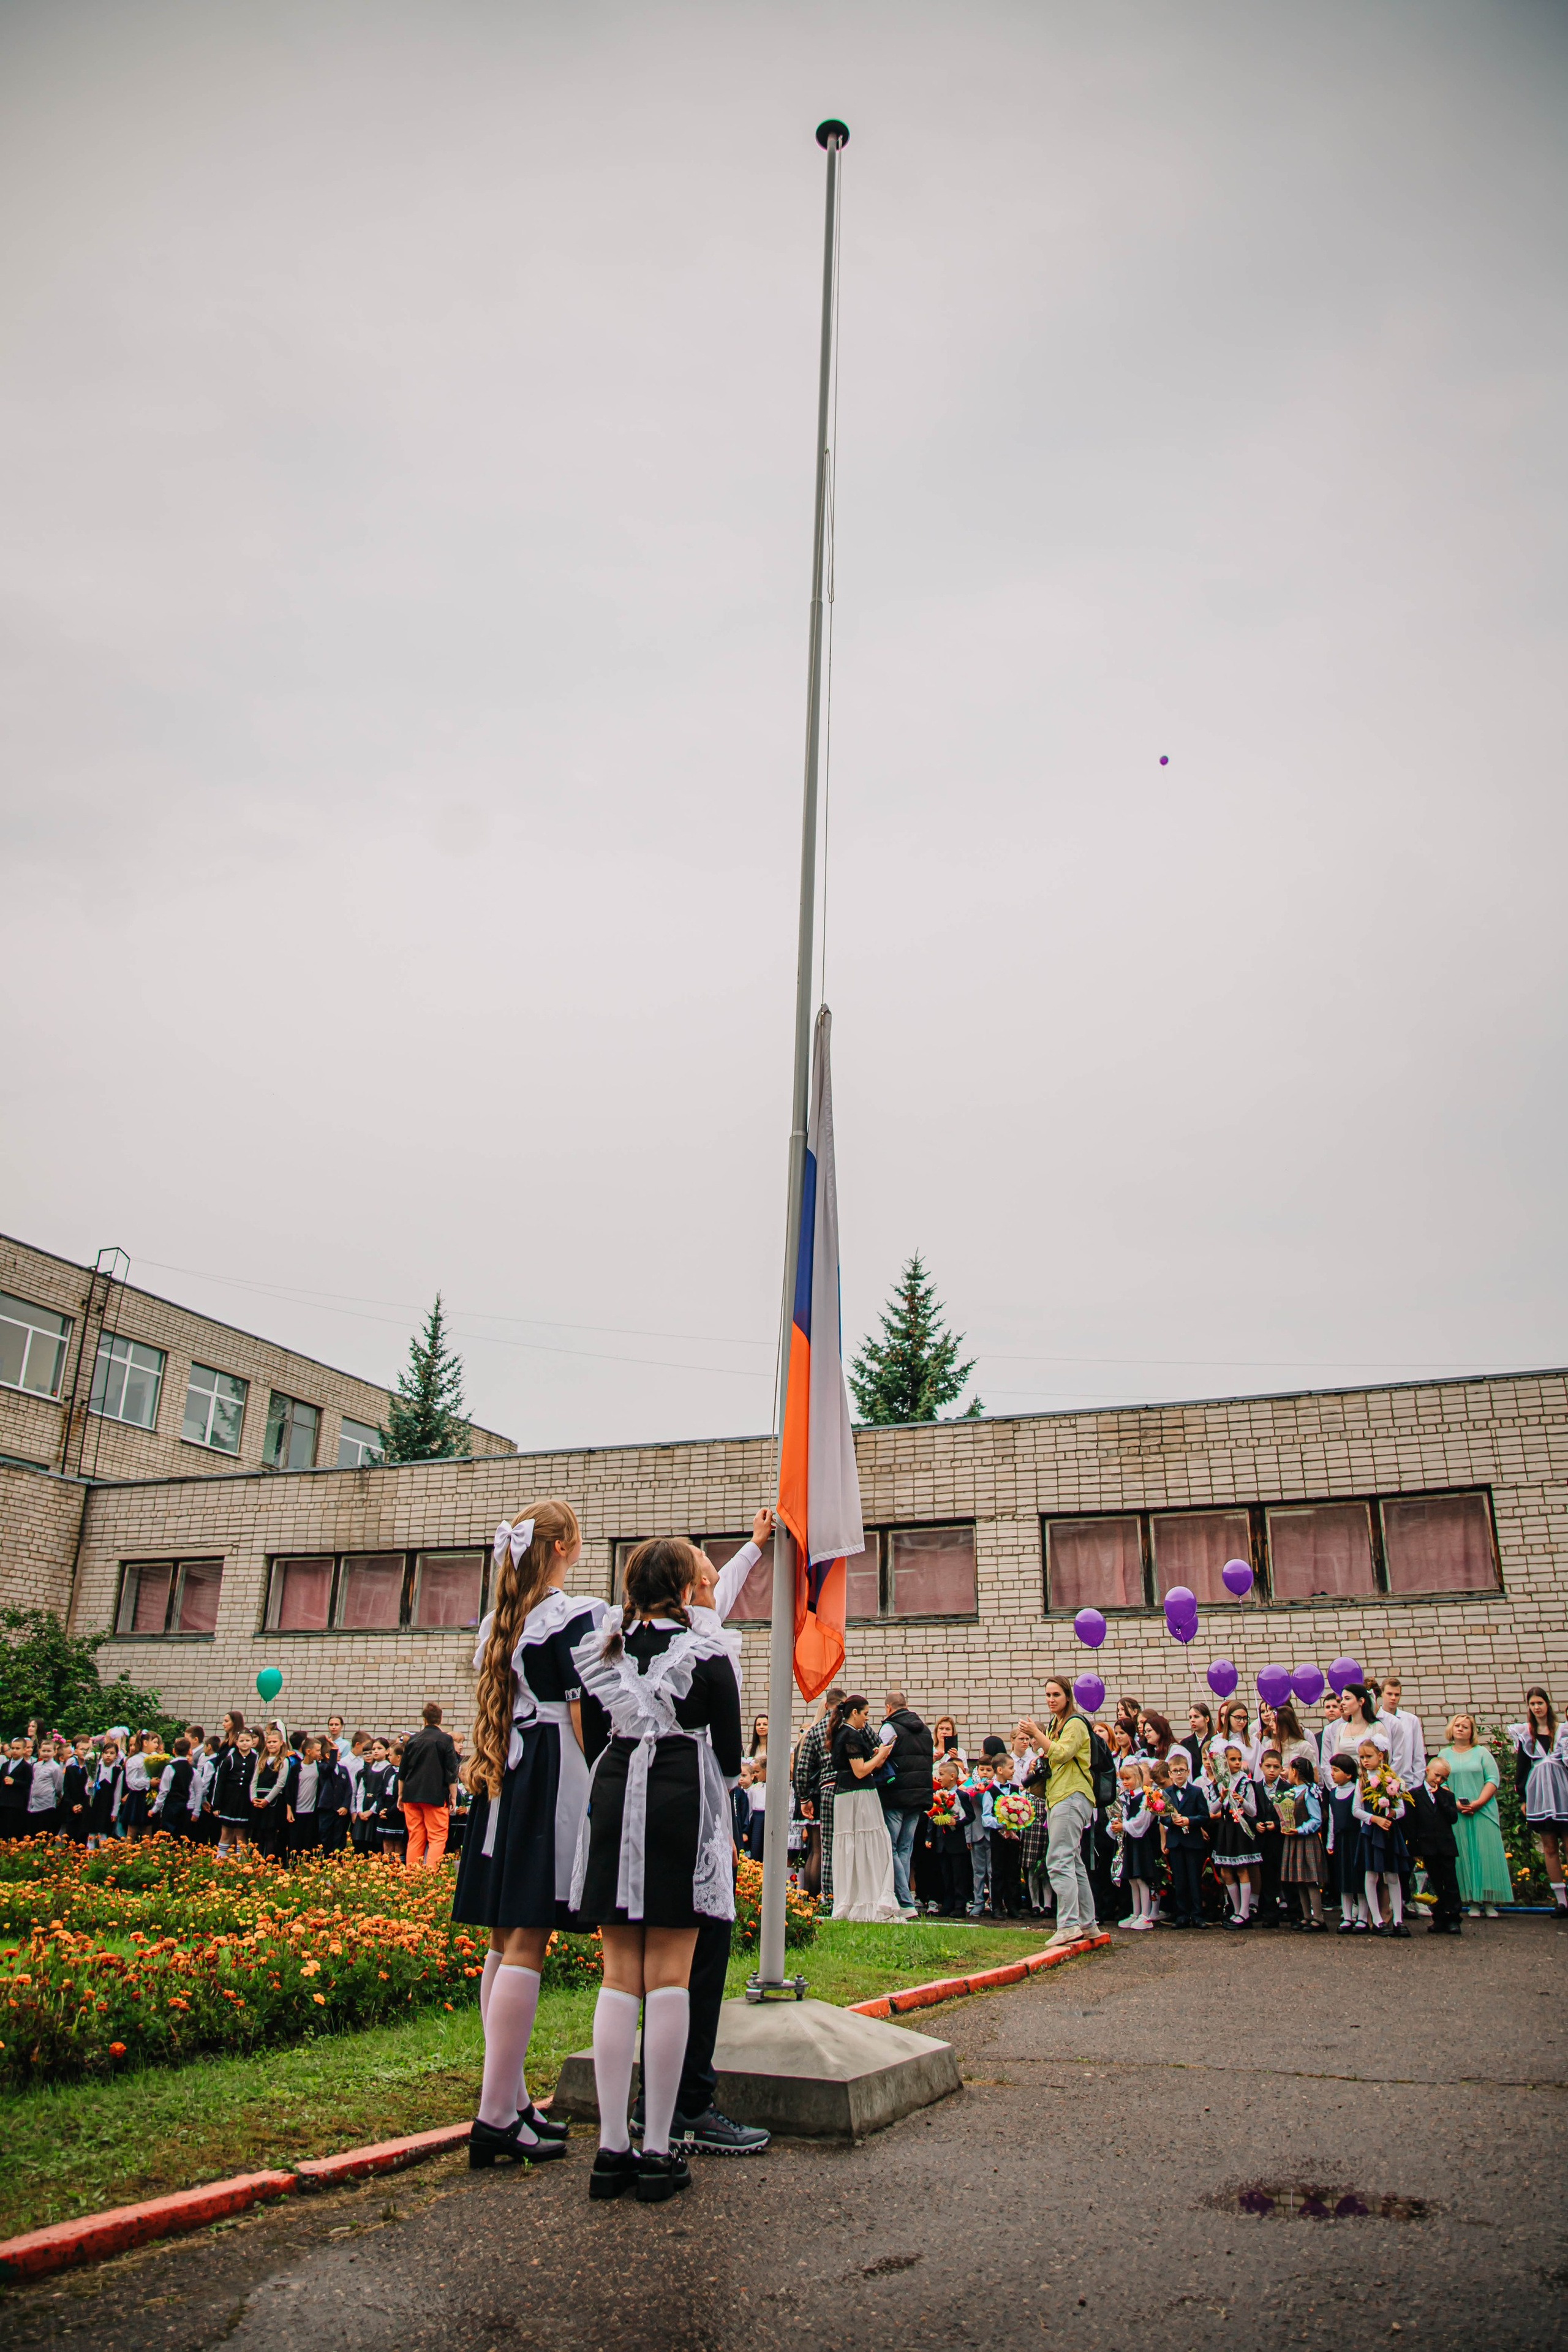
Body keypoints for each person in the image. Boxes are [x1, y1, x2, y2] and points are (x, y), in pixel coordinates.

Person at [571, 1535, 744, 2205]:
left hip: (614, 1789)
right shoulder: (709, 1652)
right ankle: (656, 2149)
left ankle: (610, 2148)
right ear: (683, 1586)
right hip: (679, 1791)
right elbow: (729, 1759)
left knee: (619, 1975)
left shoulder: (602, 1649)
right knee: (671, 1974)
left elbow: (593, 1730)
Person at [451, 1501, 606, 2173]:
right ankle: (493, 2117)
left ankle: (508, 2100)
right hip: (548, 1771)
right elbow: (590, 1709)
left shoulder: (498, 1620)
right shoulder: (578, 1615)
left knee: (500, 1937)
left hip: (501, 1773)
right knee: (526, 1939)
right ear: (567, 1546)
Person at [1023, 1679, 1098, 1948]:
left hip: (1072, 1794)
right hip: (1059, 1796)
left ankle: (1068, 1924)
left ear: (1068, 1696)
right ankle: (1088, 1924)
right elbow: (1053, 1757)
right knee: (1073, 1861)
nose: (1051, 1699)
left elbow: (1064, 1753)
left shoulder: (1075, 1723)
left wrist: (1037, 1734)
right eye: (1047, 1695)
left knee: (1057, 1859)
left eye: (1056, 1695)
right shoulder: (1057, 1724)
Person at [826, 1697, 900, 1922]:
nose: (867, 1719)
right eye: (866, 1714)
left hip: (848, 1795)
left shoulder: (844, 1733)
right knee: (868, 1843)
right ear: (855, 1713)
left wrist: (877, 1754)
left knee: (857, 1845)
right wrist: (880, 1755)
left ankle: (857, 1897)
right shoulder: (850, 1735)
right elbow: (860, 1771)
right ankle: (867, 1899)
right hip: (858, 1796)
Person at [1439, 1714, 1510, 1917]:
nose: (1461, 1729)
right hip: (1458, 1814)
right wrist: (1456, 1805)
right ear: (1451, 1730)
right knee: (1465, 1855)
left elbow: (1492, 1779)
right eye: (1457, 1726)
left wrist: (1478, 1803)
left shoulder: (1481, 1753)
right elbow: (1440, 1783)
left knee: (1485, 1854)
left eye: (1466, 1727)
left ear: (1472, 1732)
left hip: (1483, 1811)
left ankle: (1488, 1902)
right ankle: (1471, 1902)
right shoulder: (1444, 1755)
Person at [1509, 1687, 1568, 1913]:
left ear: (1547, 1704)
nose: (1537, 1707)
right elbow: (1521, 1769)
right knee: (1550, 1846)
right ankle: (1561, 1900)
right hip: (1540, 1795)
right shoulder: (1526, 1735)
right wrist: (1523, 1798)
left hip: (1563, 1793)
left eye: (1540, 1703)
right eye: (1532, 1704)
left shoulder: (1562, 1731)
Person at [875, 1691, 933, 1921]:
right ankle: (904, 1897)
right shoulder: (926, 1729)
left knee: (893, 1849)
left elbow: (881, 1756)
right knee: (906, 1849)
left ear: (889, 1708)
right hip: (920, 1795)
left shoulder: (890, 1728)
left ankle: (905, 1902)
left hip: (896, 1795)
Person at [791, 1685, 845, 1904]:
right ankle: (824, 1896)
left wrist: (802, 1796)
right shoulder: (839, 1727)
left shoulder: (812, 1730)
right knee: (824, 1848)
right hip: (826, 1791)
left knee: (815, 1849)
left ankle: (812, 1897)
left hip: (811, 1794)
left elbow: (801, 1768)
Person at [1353, 1736, 1409, 1934]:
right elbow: (1356, 1810)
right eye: (1361, 1757)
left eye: (1368, 1756)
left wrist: (1394, 1813)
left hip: (1389, 1831)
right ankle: (1377, 1920)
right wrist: (1375, 1819)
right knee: (1371, 1874)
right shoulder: (1361, 1782)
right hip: (1371, 1831)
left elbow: (1402, 1807)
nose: (1365, 1760)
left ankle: (1398, 1919)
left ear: (1380, 1756)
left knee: (1392, 1875)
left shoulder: (1392, 1780)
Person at [398, 1703, 461, 1869]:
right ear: (440, 1720)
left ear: (424, 1720)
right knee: (437, 1837)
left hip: (411, 1795)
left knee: (416, 1836)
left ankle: (412, 1876)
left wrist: (400, 1795)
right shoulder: (446, 1739)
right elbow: (451, 1771)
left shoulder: (413, 1739)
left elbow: (402, 1771)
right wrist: (453, 1796)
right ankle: (430, 1876)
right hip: (435, 1795)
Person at [1208, 1743, 1261, 1925]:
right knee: (1225, 1870)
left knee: (1242, 1868)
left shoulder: (1246, 1782)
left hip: (1240, 1828)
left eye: (1239, 1759)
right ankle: (1236, 1909)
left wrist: (1243, 1801)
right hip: (1225, 1828)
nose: (1237, 1763)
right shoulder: (1218, 1783)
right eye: (1233, 1759)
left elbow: (1253, 1811)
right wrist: (1221, 1798)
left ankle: (1245, 1912)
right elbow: (1212, 1809)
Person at [1409, 1757, 1463, 1934]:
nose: (1439, 1780)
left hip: (1446, 1846)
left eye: (1443, 1778)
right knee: (1434, 1884)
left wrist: (1440, 1795)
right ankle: (1438, 1917)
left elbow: (1453, 1818)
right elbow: (1413, 1823)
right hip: (1427, 1846)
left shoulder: (1447, 1795)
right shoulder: (1415, 1794)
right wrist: (1415, 1849)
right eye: (1437, 1775)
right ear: (1427, 1771)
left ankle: (1453, 1917)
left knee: (1451, 1883)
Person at [1280, 1755, 1326, 1928]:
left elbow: (1316, 1819)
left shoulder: (1309, 1791)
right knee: (1300, 1880)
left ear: (1294, 1772)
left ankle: (1319, 1917)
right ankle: (1307, 1916)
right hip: (1294, 1839)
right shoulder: (1292, 1791)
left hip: (1307, 1839)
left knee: (1310, 1880)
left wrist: (1300, 1829)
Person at [927, 1758, 975, 1916]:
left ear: (953, 1776)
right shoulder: (938, 1796)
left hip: (957, 1841)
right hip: (942, 1841)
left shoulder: (962, 1795)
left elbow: (970, 1816)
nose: (939, 1778)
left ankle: (960, 1906)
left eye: (941, 1774)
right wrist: (930, 1837)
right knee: (945, 1875)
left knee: (958, 1875)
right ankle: (947, 1904)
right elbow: (932, 1818)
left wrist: (958, 1822)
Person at [1325, 1754, 1366, 1931]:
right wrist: (1330, 1842)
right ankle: (1347, 1916)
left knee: (1359, 1879)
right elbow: (1332, 1819)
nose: (1332, 1774)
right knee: (1344, 1879)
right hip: (1341, 1840)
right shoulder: (1333, 1794)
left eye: (1336, 1770)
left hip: (1356, 1839)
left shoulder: (1357, 1790)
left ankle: (1363, 1917)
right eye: (1332, 1770)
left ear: (1349, 1774)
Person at [1114, 1762, 1158, 1928]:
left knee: (1141, 1878)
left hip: (1142, 1841)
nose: (1125, 1782)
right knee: (1132, 1878)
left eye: (1128, 1778)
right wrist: (1118, 1823)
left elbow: (1142, 1822)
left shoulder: (1147, 1797)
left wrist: (1124, 1826)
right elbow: (1124, 1815)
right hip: (1130, 1840)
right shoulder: (1127, 1797)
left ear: (1138, 1778)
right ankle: (1136, 1912)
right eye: (1122, 1779)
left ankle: (1146, 1915)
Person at [247, 1724, 293, 1860]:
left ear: (281, 1743)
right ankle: (256, 1860)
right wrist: (253, 1797)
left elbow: (280, 1784)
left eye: (274, 1742)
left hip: (273, 1801)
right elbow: (254, 1780)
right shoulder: (261, 1760)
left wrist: (267, 1800)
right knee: (258, 1834)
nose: (272, 1745)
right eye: (269, 1742)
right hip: (258, 1800)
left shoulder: (283, 1761)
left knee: (270, 1834)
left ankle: (269, 1862)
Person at [1253, 1747, 1286, 1926]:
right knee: (1266, 1876)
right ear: (1261, 1766)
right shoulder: (1255, 1787)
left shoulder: (1286, 1788)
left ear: (1282, 1768)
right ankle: (1270, 1913)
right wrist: (1255, 1823)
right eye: (1268, 1766)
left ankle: (1292, 1909)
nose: (1272, 1770)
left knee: (1283, 1875)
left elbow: (1291, 1816)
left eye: (1276, 1767)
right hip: (1262, 1839)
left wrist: (1278, 1825)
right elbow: (1250, 1812)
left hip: (1280, 1839)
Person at [1378, 1676, 1427, 1788]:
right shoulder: (1375, 1719)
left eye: (1397, 1695)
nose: (1393, 1698)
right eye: (1389, 1694)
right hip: (1381, 1784)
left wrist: (1417, 1784)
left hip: (1407, 1784)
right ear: (1382, 1694)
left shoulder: (1410, 1720)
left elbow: (1418, 1754)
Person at [964, 1754, 998, 1918]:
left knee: (992, 1871)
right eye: (982, 1769)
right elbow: (968, 1814)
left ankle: (994, 1902)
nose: (985, 1773)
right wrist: (968, 1837)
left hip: (992, 1834)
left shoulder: (996, 1787)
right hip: (976, 1833)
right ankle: (978, 1902)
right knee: (978, 1872)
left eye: (989, 1770)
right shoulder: (970, 1785)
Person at [212, 1728, 254, 1853]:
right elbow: (220, 1783)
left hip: (246, 1801)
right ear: (236, 1742)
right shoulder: (229, 1760)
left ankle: (241, 1864)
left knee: (241, 1834)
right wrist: (217, 1805)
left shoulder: (257, 1759)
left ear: (253, 1742)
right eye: (242, 1741)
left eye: (248, 1740)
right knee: (226, 1833)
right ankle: (220, 1861)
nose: (245, 1743)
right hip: (229, 1801)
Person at [88, 1738, 124, 1847]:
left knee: (104, 1831)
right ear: (102, 1754)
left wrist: (115, 1811)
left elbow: (118, 1792)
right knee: (92, 1831)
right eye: (106, 1753)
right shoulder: (95, 1768)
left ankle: (104, 1855)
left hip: (107, 1804)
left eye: (112, 1753)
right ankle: (90, 1853)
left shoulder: (118, 1771)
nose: (108, 1756)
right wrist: (89, 1786)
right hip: (95, 1804)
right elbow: (89, 1788)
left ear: (116, 1756)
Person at [26, 1736, 64, 1839]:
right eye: (43, 1751)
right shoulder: (36, 1765)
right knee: (33, 1832)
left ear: (54, 1752)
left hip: (47, 1804)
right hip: (33, 1803)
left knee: (44, 1832)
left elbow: (58, 1786)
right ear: (39, 1751)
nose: (46, 1753)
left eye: (49, 1751)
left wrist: (58, 1796)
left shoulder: (55, 1768)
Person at [61, 1735, 93, 1845]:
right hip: (72, 1809)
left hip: (86, 1809)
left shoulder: (91, 1769)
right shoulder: (70, 1769)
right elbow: (66, 1790)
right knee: (70, 1839)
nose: (84, 1752)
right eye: (82, 1749)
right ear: (76, 1751)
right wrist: (72, 1806)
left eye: (87, 1750)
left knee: (82, 1838)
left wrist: (83, 1805)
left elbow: (91, 1792)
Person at [0, 1738, 33, 1840]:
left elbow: (29, 1784)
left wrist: (15, 1782)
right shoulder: (5, 1765)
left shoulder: (26, 1767)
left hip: (17, 1803)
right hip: (3, 1802)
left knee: (14, 1830)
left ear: (24, 1750)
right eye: (12, 1748)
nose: (14, 1751)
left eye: (17, 1748)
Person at [1180, 1705, 1214, 1777]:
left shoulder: (1215, 1740)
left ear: (1207, 1719)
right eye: (1190, 1717)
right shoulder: (1185, 1743)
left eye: (1196, 1717)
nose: (1192, 1720)